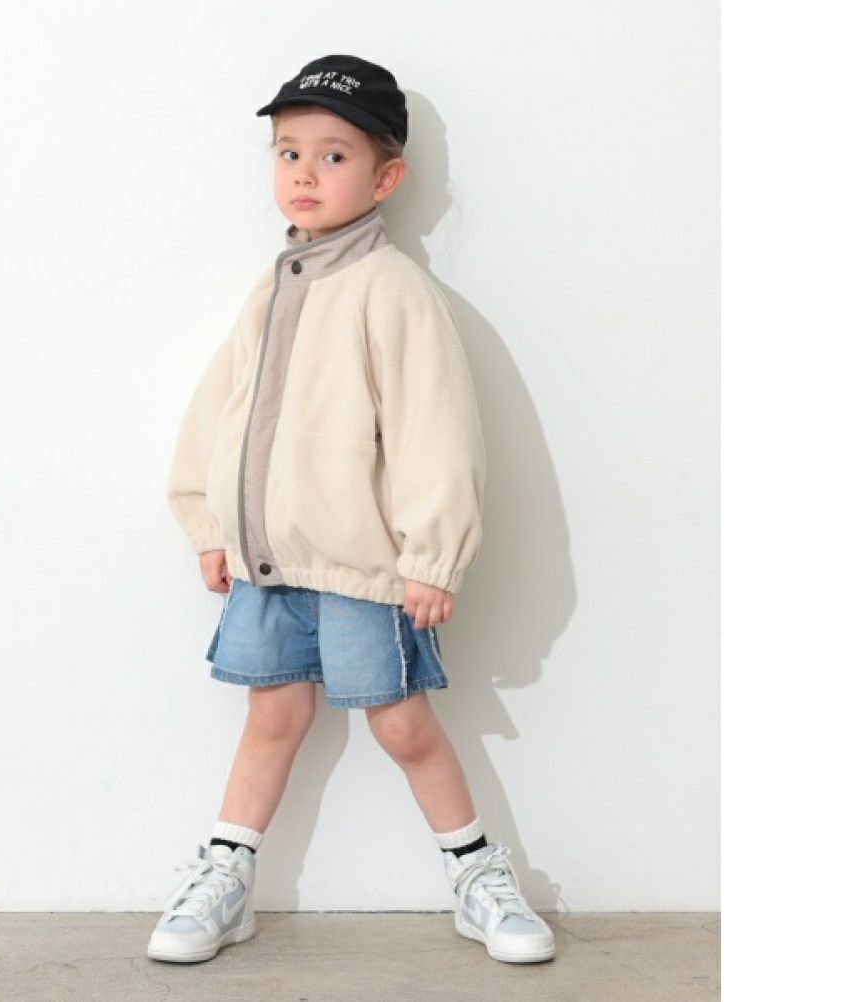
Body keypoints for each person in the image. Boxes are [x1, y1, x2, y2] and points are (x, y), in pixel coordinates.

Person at [148, 54, 555, 967]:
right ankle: (225, 877)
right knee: (272, 718)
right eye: (288, 151)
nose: (304, 171)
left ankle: (478, 876)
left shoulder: (391, 288)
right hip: (267, 568)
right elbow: (222, 408)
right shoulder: (274, 285)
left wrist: (433, 558)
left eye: (333, 155)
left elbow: (434, 429)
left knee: (402, 723)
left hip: (364, 569)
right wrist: (208, 524)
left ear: (386, 177)